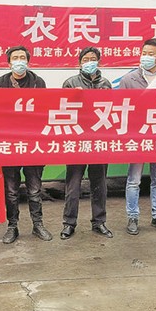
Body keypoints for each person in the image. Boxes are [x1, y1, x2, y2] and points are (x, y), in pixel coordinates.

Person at [0, 46, 52, 244]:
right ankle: (12, 226)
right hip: (10, 147)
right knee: (11, 191)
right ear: (9, 63)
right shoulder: (0, 84)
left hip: (33, 146)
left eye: (22, 57)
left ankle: (38, 224)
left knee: (34, 189)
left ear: (28, 61)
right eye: (15, 58)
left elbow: (45, 111)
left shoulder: (38, 83)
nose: (19, 61)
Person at [119, 38, 156, 235]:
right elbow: (121, 109)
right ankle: (132, 217)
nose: (146, 57)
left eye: (151, 54)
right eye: (144, 53)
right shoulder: (129, 79)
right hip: (137, 137)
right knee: (134, 180)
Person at [60, 47, 113, 240]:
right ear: (79, 62)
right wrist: (74, 97)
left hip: (99, 141)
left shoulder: (106, 84)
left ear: (99, 62)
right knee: (73, 185)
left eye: (93, 59)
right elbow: (63, 110)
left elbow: (112, 111)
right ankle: (69, 223)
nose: (89, 62)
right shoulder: (70, 83)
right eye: (85, 59)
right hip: (77, 141)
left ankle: (99, 222)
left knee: (99, 184)